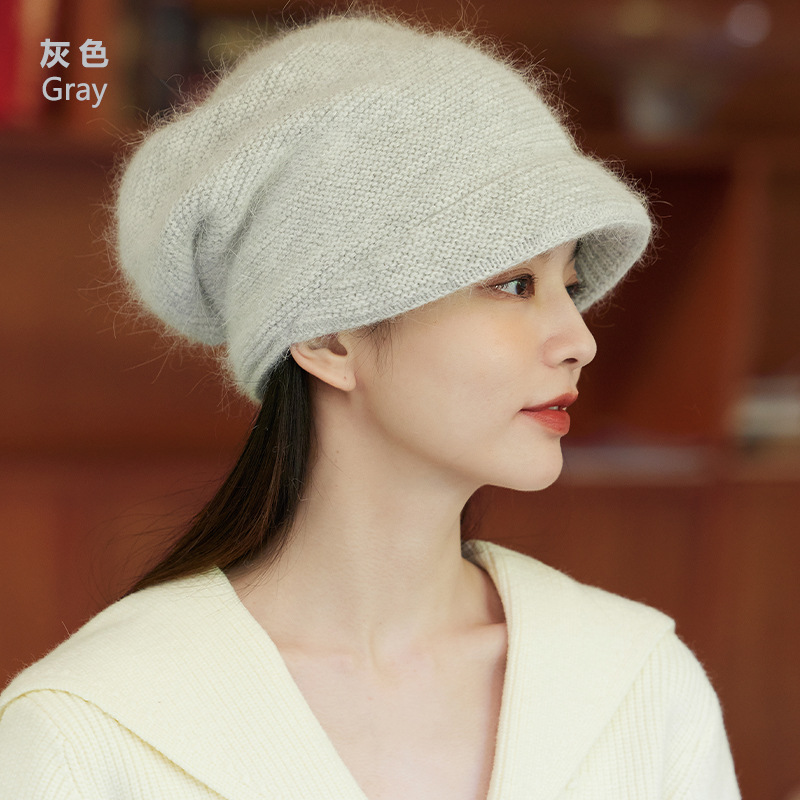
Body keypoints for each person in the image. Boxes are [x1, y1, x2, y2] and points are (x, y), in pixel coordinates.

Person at [0, 8, 740, 799]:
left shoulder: (638, 684)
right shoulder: (91, 730)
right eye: (514, 284)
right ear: (328, 338)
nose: (579, 340)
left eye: (571, 284)